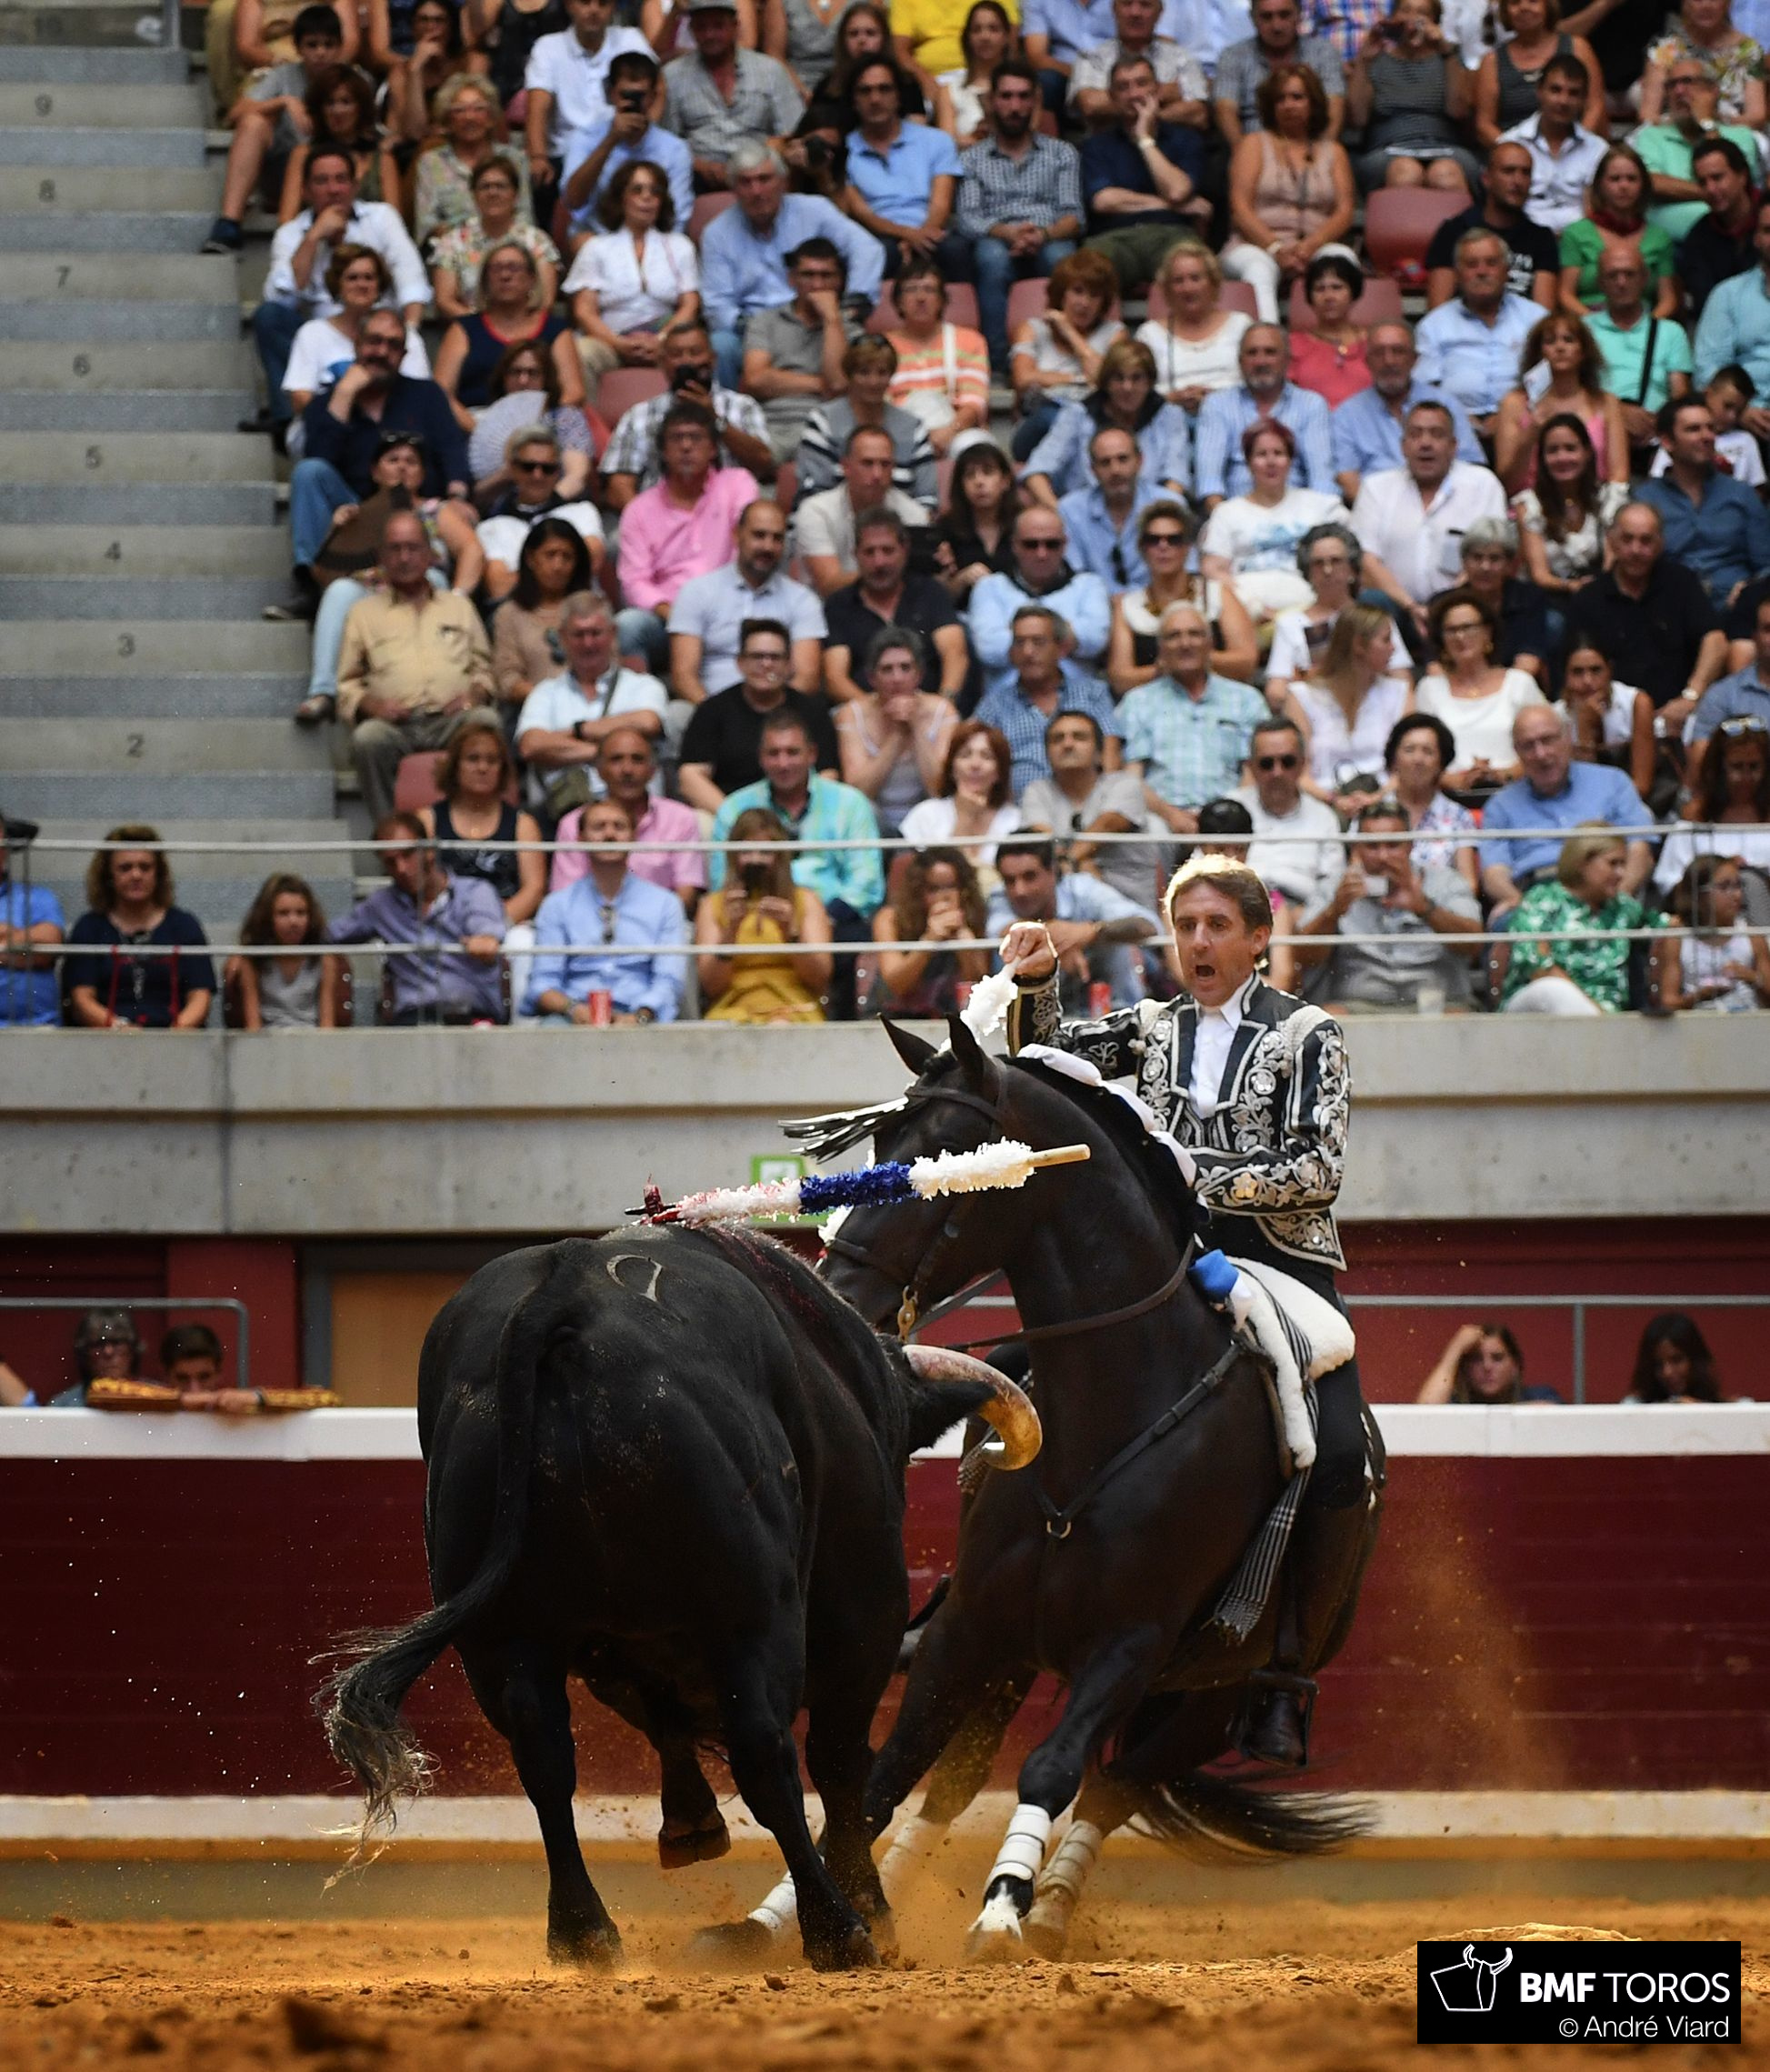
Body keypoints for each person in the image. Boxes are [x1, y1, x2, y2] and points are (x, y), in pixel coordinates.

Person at [1001, 846, 1367, 1767]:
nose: (1198, 941)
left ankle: (1284, 1676)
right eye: (1185, 925)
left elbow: (1318, 1170)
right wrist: (1039, 979)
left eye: (1217, 925)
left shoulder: (1309, 1030)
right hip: (1174, 1264)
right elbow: (1044, 1061)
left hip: (1281, 1265)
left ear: (1257, 937)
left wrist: (1188, 1178)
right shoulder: (1151, 1024)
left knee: (1343, 1451)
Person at [707, 708, 883, 1013]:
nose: (783, 763)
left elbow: (865, 882)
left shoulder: (849, 802)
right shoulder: (735, 807)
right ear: (761, 757)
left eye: (792, 752)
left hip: (835, 917)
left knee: (850, 940)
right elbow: (722, 878)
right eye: (774, 753)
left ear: (812, 754)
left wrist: (816, 916)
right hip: (750, 913)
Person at [289, 311, 470, 594]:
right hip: (354, 514)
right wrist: (344, 395)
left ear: (404, 354)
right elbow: (320, 461)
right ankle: (311, 585)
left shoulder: (427, 395)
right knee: (307, 472)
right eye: (374, 341)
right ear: (356, 344)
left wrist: (458, 495)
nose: (382, 351)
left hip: (415, 508)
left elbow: (451, 448)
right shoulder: (327, 402)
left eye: (393, 345)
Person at [254, 148, 431, 435]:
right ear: (306, 191)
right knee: (269, 316)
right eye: (322, 181)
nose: (333, 189)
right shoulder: (291, 233)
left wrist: (408, 332)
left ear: (354, 186)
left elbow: (410, 275)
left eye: (341, 180)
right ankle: (288, 420)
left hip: (380, 328)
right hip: (323, 333)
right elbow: (281, 298)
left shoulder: (381, 217)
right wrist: (314, 237)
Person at [335, 510, 496, 824]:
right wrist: (373, 705)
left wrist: (473, 697)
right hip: (395, 726)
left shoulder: (459, 607)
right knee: (367, 739)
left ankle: (477, 826)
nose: (404, 557)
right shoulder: (363, 614)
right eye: (394, 549)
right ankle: (390, 835)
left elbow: (484, 670)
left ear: (430, 554)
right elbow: (346, 684)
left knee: (486, 720)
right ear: (381, 556)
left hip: (452, 720)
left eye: (413, 548)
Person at [697, 140, 885, 388]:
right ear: (733, 188)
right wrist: (759, 331)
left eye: (764, 179)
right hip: (755, 329)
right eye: (746, 182)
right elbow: (717, 305)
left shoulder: (815, 210)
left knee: (863, 342)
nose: (756, 191)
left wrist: (855, 301)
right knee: (720, 343)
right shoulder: (717, 233)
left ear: (783, 182)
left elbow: (867, 248)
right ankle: (728, 417)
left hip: (815, 317)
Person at [955, 57, 1084, 376]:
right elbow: (968, 218)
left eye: (1024, 96)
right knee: (991, 258)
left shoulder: (1062, 153)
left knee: (1062, 260)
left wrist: (1042, 235)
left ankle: (1060, 355)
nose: (1015, 106)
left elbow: (1074, 216)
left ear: (1035, 101)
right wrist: (1009, 233)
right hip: (996, 239)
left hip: (1049, 236)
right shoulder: (972, 158)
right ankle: (998, 365)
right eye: (1007, 96)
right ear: (992, 102)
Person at [1295, 792, 1481, 1008]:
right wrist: (1334, 911)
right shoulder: (1336, 887)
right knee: (1330, 1022)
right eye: (1372, 846)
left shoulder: (1446, 881)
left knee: (1460, 1019)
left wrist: (1424, 908)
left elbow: (1474, 946)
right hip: (1357, 1004)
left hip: (1436, 1003)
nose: (1383, 856)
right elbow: (1304, 957)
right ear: (1357, 848)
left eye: (1393, 845)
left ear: (1410, 845)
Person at [328, 811, 508, 1025]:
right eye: (391, 862)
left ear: (429, 850)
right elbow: (329, 934)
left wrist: (485, 940)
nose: (402, 869)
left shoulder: (475, 892)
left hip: (473, 1015)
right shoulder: (381, 905)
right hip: (411, 1020)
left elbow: (487, 935)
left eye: (408, 854)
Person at [616, 403, 764, 663]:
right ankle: (638, 699)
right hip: (668, 618)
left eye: (695, 438)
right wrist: (674, 614)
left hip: (731, 610)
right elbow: (635, 581)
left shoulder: (737, 484)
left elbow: (749, 544)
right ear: (663, 451)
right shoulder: (639, 510)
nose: (686, 446)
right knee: (627, 626)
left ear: (713, 448)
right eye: (676, 438)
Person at [525, 794, 688, 1023]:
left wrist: (639, 1016)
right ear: (581, 838)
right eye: (599, 827)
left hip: (641, 1016)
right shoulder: (557, 905)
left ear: (634, 836)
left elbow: (669, 980)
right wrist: (574, 1010)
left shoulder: (666, 904)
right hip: (573, 1015)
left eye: (619, 827)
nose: (610, 835)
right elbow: (542, 983)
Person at [1478, 704, 1653, 914]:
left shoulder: (1613, 783)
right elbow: (1494, 873)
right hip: (1534, 897)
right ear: (1516, 752)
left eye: (1548, 740)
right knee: (1503, 924)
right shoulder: (1500, 806)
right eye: (1528, 746)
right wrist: (1522, 906)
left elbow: (1639, 850)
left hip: (1604, 892)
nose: (1541, 754)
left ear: (1568, 737)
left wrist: (1618, 901)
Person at [1563, 500, 1728, 721]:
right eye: (1627, 539)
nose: (1636, 550)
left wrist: (1691, 696)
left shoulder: (1681, 583)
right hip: (1610, 720)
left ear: (1660, 542)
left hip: (1678, 716)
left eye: (1646, 540)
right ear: (1611, 541)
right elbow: (1571, 667)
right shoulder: (1588, 599)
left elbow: (1715, 640)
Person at [205, 5, 349, 254]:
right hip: (285, 172)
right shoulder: (284, 75)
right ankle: (229, 223)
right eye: (312, 45)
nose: (321, 53)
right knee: (252, 122)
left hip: (337, 179)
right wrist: (283, 102)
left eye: (328, 45)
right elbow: (235, 113)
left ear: (339, 47)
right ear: (298, 48)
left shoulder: (354, 80)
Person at [1223, 62, 1356, 324]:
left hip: (1314, 244)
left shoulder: (1334, 152)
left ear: (1313, 102)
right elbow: (1239, 208)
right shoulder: (1253, 144)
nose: (1289, 105)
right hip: (1254, 245)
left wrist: (1309, 247)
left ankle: (1333, 342)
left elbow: (1344, 211)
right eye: (1280, 99)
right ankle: (1269, 343)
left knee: (1343, 259)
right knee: (1260, 268)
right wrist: (1276, 248)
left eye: (1297, 97)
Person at [1120, 603, 1271, 836]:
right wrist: (1171, 815)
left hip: (1231, 816)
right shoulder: (1138, 702)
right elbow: (1132, 777)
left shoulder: (1246, 700)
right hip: (1161, 819)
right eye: (1173, 636)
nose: (1185, 643)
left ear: (1210, 644)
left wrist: (1221, 816)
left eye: (1195, 634)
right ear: (1160, 649)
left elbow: (1253, 773)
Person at [514, 590, 670, 810]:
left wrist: (576, 731)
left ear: (613, 632)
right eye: (579, 634)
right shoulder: (544, 693)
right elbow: (531, 746)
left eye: (596, 633)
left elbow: (648, 723)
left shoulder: (643, 686)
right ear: (562, 637)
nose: (588, 643)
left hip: (637, 815)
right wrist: (607, 753)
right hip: (562, 815)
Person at [1352, 399, 1507, 619]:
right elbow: (1367, 560)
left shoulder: (1482, 485)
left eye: (1436, 434)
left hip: (1463, 607)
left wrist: (1443, 609)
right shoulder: (1376, 488)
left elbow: (1492, 556)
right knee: (1371, 603)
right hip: (1396, 612)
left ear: (1454, 446)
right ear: (1403, 446)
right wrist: (1411, 608)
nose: (1426, 443)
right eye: (1416, 435)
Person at [599, 323, 773, 511]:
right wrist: (647, 524)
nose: (687, 361)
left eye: (695, 352)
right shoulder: (638, 415)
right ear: (663, 364)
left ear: (713, 359)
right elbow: (618, 486)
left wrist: (715, 419)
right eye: (677, 355)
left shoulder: (742, 406)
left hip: (730, 520)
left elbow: (763, 462)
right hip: (658, 521)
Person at [671, 498, 825, 706]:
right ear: (737, 535)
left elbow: (806, 678)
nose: (768, 546)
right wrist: (717, 718)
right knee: (676, 714)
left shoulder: (803, 600)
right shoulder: (697, 592)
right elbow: (683, 676)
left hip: (778, 715)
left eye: (777, 538)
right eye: (759, 535)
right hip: (709, 710)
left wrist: (768, 719)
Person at [1077, 52, 1208, 297]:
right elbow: (1104, 201)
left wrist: (1145, 140)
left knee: (1191, 271)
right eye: (1123, 87)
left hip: (1171, 236)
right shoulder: (1097, 145)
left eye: (1141, 83)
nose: (1134, 93)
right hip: (1114, 238)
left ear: (1157, 91)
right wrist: (1173, 206)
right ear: (1112, 97)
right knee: (1086, 271)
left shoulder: (1185, 139)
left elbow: (1177, 190)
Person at [1199, 419, 1350, 630]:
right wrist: (1255, 608)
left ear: (1290, 460)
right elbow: (1213, 569)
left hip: (1315, 610)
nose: (1271, 462)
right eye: (1261, 455)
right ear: (1249, 462)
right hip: (1249, 616)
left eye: (1278, 454)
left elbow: (1350, 559)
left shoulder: (1322, 506)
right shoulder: (1227, 513)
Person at [677, 615, 841, 808]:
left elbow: (828, 774)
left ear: (789, 665)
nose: (766, 664)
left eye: (775, 657)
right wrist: (737, 819)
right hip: (730, 815)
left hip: (801, 812)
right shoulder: (713, 710)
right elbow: (690, 776)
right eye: (757, 656)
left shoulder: (812, 711)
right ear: (740, 663)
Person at [418, 716, 547, 956]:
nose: (483, 768)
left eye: (492, 760)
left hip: (507, 925)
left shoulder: (523, 825)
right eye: (473, 759)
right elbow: (417, 883)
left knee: (524, 944)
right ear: (455, 766)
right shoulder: (428, 821)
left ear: (503, 769)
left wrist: (491, 927)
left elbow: (534, 888)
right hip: (443, 923)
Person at [63, 831, 216, 1032]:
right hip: (108, 1040)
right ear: (108, 875)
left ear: (158, 873)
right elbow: (81, 999)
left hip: (175, 1042)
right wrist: (121, 1029)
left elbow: (200, 996)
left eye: (145, 867)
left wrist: (174, 1033)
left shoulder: (184, 925)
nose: (136, 875)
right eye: (125, 868)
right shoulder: (90, 927)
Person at [564, 159, 700, 384]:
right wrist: (619, 344)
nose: (647, 197)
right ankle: (584, 421)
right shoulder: (596, 247)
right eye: (637, 190)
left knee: (697, 353)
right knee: (581, 353)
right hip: (610, 342)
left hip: (666, 343)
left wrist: (662, 339)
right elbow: (583, 311)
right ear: (621, 198)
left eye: (654, 192)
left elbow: (690, 304)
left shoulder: (680, 245)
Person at [989, 829, 1158, 1009]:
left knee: (1117, 942)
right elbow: (1004, 930)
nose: (1019, 890)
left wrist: (1089, 932)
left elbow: (1147, 924)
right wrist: (1061, 943)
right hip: (1037, 1018)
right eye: (1009, 880)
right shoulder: (1000, 896)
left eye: (1030, 877)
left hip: (1112, 1010)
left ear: (1053, 872)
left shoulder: (1082, 888)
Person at [696, 804, 833, 1021]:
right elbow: (711, 987)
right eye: (746, 851)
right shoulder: (713, 905)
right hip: (732, 1008)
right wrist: (730, 932)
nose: (755, 860)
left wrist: (791, 934)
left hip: (794, 1006)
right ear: (733, 855)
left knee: (781, 1027)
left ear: (780, 856)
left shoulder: (805, 900)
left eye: (765, 852)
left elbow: (819, 979)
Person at [1637, 396, 1770, 618]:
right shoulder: (1646, 500)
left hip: (1735, 608)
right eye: (1693, 429)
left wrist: (1751, 588)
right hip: (1669, 612)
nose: (1707, 436)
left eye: (1710, 428)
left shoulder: (1741, 494)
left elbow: (1766, 563)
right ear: (1668, 442)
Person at [1110, 499, 1260, 693]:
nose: (1163, 547)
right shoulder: (1128, 606)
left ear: (1187, 547)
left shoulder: (1218, 594)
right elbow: (1120, 677)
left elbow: (1246, 661)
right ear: (1142, 548)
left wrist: (1195, 659)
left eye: (1174, 540)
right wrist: (1166, 668)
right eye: (1153, 540)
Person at [551, 726, 707, 908]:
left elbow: (686, 893)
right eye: (616, 760)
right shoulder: (572, 824)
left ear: (652, 769)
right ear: (599, 770)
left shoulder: (681, 818)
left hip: (661, 930)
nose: (627, 769)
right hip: (588, 929)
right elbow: (565, 897)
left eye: (638, 760)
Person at [1022, 335, 1190, 506]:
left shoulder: (1169, 415)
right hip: (1084, 514)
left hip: (1149, 516)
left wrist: (1157, 520)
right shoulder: (1077, 414)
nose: (1127, 387)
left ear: (1150, 382)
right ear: (1106, 382)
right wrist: (1064, 518)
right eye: (1118, 378)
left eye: (1137, 378)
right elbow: (1036, 472)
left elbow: (1175, 479)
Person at [823, 506, 967, 704]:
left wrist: (940, 709)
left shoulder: (930, 592)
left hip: (930, 713)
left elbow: (955, 655)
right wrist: (878, 716)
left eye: (887, 550)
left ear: (905, 550)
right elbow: (835, 678)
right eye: (869, 552)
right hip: (866, 719)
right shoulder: (839, 604)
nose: (879, 562)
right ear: (855, 554)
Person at [968, 509, 1115, 702]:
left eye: (1051, 544)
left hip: (1078, 704)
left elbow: (1095, 639)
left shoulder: (1089, 584)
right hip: (1006, 706)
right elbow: (990, 648)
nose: (1042, 553)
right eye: (1031, 545)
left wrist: (1018, 635)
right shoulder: (990, 587)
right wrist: (1063, 633)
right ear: (1014, 545)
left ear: (1064, 545)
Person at [1329, 319, 1483, 502]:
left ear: (1415, 359)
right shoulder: (1347, 415)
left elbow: (1472, 467)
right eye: (1379, 353)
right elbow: (1347, 479)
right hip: (1377, 513)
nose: (1389, 361)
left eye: (1398, 351)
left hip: (1446, 505)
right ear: (1367, 361)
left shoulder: (1445, 404)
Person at [1019, 708, 1160, 908]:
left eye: (1079, 737)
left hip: (1132, 911)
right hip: (1067, 914)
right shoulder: (1037, 791)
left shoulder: (1125, 784)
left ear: (1099, 753)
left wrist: (1069, 860)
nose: (1067, 744)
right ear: (1047, 754)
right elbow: (1042, 839)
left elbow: (1108, 824)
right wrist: (1080, 865)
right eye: (1057, 739)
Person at [1498, 824, 1646, 1015]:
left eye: (1623, 865)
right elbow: (1537, 965)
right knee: (1553, 990)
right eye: (1613, 864)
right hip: (1534, 1006)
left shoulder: (1624, 907)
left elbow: (1667, 927)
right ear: (1582, 863)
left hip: (1610, 1015)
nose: (1621, 874)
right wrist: (1595, 1013)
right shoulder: (1541, 900)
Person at [282, 246, 432, 433]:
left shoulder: (405, 336)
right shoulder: (312, 334)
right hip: (325, 433)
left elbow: (419, 395)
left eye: (369, 277)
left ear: (379, 285)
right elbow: (300, 398)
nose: (362, 284)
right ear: (338, 284)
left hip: (391, 434)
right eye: (352, 278)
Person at [434, 240, 582, 426]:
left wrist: (535, 423)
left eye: (514, 268)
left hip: (541, 427)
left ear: (532, 279)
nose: (505, 275)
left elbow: (574, 392)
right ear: (485, 280)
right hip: (475, 424)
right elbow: (441, 391)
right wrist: (476, 428)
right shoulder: (463, 329)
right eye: (496, 269)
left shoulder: (555, 329)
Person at [662, 0, 805, 191]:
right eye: (702, 27)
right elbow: (665, 142)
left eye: (718, 26)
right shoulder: (672, 76)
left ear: (735, 26)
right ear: (691, 30)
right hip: (699, 180)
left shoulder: (770, 70)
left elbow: (793, 130)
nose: (710, 34)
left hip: (762, 176)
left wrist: (765, 156)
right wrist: (699, 165)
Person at [740, 235, 860, 463]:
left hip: (829, 425)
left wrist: (832, 321)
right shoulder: (765, 322)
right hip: (772, 423)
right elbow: (755, 379)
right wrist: (819, 383)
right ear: (792, 279)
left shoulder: (852, 332)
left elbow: (837, 384)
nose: (817, 285)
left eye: (826, 276)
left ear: (840, 281)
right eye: (808, 275)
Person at [523, 0, 654, 210]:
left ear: (613, 7)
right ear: (568, 5)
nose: (594, 10)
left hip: (624, 148)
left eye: (602, 3)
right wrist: (538, 156)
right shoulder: (548, 47)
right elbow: (537, 108)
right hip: (565, 153)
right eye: (584, 2)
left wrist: (647, 136)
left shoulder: (630, 38)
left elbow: (657, 89)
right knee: (541, 179)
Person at [1192, 322, 1336, 509]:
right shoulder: (1217, 405)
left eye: (1270, 352)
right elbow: (1209, 482)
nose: (1261, 361)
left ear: (1287, 359)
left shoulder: (1311, 405)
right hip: (1235, 516)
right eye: (1252, 353)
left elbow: (1322, 481)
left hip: (1301, 516)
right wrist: (1227, 524)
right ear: (1240, 361)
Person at [560, 48, 695, 248]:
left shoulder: (675, 149)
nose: (633, 102)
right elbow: (573, 201)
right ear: (611, 93)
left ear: (652, 97)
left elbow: (677, 217)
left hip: (655, 242)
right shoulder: (585, 139)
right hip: (599, 238)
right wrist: (611, 140)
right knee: (582, 241)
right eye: (626, 95)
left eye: (640, 95)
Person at [1412, 586, 1544, 790]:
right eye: (1451, 630)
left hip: (1516, 790)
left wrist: (1502, 775)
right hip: (1449, 796)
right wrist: (1456, 782)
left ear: (1487, 632)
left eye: (1469, 627)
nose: (1460, 636)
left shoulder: (1520, 683)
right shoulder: (1429, 689)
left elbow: (1546, 743)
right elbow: (1417, 754)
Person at [1413, 226, 1539, 437]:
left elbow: (1546, 382)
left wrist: (1508, 416)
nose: (1482, 271)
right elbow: (1425, 389)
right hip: (1452, 427)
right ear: (1457, 273)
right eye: (1471, 265)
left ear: (1506, 270)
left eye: (1491, 263)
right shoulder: (1434, 325)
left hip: (1523, 424)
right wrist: (1461, 419)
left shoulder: (1535, 318)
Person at [1283, 601, 1414, 804]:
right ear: (1359, 645)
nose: (1393, 648)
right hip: (1320, 803)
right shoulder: (1302, 696)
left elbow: (1408, 770)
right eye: (1386, 640)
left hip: (1386, 804)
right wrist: (1334, 801)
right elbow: (1298, 774)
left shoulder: (1400, 692)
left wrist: (1375, 799)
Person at [833, 628, 959, 831]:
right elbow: (858, 793)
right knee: (865, 810)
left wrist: (916, 727)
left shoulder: (943, 712)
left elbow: (940, 789)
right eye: (887, 669)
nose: (897, 678)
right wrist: (898, 735)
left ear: (919, 675)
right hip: (873, 821)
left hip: (927, 817)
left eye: (905, 668)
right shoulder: (852, 715)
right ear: (872, 678)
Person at [1491, 311, 1626, 495]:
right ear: (1539, 352)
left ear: (1583, 351)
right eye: (1550, 341)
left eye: (1569, 340)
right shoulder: (1514, 403)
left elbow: (1619, 475)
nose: (1560, 347)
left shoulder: (1606, 402)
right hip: (1530, 507)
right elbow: (1507, 483)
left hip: (1595, 504)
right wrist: (1530, 434)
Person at [1346, 0, 1474, 196]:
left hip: (1444, 147)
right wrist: (1364, 61)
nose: (1412, 18)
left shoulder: (1449, 59)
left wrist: (1446, 51)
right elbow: (1358, 118)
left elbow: (1458, 110)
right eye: (1405, 11)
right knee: (1405, 172)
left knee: (1445, 175)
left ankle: (1457, 228)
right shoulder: (1376, 60)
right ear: (1393, 19)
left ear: (1434, 23)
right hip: (1387, 150)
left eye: (1422, 13)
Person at [797, 336, 939, 511]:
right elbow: (813, 493)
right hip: (832, 525)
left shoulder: (913, 427)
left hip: (898, 527)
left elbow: (927, 499)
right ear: (849, 375)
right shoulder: (823, 421)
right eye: (864, 372)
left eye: (882, 372)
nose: (873, 382)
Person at [1008, 249, 1125, 460]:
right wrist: (1080, 380)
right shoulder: (1032, 329)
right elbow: (1023, 379)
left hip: (1092, 424)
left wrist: (1069, 332)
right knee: (1054, 416)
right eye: (1078, 291)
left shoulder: (1114, 333)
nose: (1085, 303)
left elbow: (1106, 381)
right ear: (1062, 294)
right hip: (1037, 425)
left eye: (1094, 295)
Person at [1423, 138, 1559, 310]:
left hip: (1523, 332)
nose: (1518, 181)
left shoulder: (1541, 238)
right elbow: (1437, 311)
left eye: (1525, 173)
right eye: (1508, 171)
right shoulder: (1454, 231)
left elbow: (1543, 316)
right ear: (1487, 178)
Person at [795, 425, 931, 597]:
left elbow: (919, 585)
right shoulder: (816, 512)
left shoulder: (914, 515)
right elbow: (829, 586)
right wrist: (890, 571)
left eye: (885, 464)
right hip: (828, 614)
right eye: (867, 463)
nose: (877, 474)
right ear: (846, 466)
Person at [475, 425, 606, 599]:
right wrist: (559, 572)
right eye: (528, 467)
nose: (538, 475)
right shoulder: (490, 528)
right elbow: (499, 587)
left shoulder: (583, 512)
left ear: (558, 472)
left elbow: (591, 563)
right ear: (512, 469)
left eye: (547, 468)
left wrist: (523, 575)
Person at [1225, 714, 1343, 906]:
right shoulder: (1230, 808)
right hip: (1238, 909)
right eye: (1266, 764)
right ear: (1252, 767)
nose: (1277, 772)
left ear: (1302, 765)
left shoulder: (1324, 817)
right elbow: (1201, 869)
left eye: (1287, 762)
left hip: (1302, 918)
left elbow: (1331, 885)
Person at [1654, 713, 1770, 901]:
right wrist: (1718, 874)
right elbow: (1669, 882)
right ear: (1719, 768)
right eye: (1737, 767)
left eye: (1754, 767)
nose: (1746, 777)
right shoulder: (1694, 816)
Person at [1587, 247, 1694, 455]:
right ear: (1600, 283)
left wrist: (1658, 425)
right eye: (1612, 275)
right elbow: (1570, 389)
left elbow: (1680, 395)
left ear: (1645, 279)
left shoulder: (1670, 332)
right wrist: (1618, 413)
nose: (1621, 282)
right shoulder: (1582, 330)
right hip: (1596, 434)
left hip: (1657, 439)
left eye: (1630, 274)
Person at [412, 74, 533, 255]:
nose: (470, 117)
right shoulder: (431, 162)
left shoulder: (515, 159)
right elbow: (428, 227)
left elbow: (525, 217)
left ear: (491, 117)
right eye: (460, 110)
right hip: (453, 254)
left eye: (478, 109)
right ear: (447, 120)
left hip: (508, 251)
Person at [866, 845, 993, 1016]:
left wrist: (964, 946)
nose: (943, 897)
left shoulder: (974, 917)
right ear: (918, 891)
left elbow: (977, 987)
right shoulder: (890, 918)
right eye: (934, 889)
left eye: (951, 887)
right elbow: (896, 984)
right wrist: (929, 940)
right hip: (893, 1017)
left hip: (949, 1018)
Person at [883, 257, 990, 458]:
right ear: (898, 301)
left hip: (954, 429)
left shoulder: (969, 341)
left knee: (978, 450)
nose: (921, 297)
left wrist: (948, 432)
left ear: (942, 300)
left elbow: (974, 402)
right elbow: (877, 403)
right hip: (897, 432)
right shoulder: (880, 346)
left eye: (930, 290)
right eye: (911, 290)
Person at [1511, 411, 1629, 592]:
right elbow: (1539, 575)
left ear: (1587, 452)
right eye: (1553, 451)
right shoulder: (1528, 505)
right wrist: (1573, 587)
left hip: (1598, 591)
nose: (1562, 458)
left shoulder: (1606, 497)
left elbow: (1611, 561)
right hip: (1550, 596)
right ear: (1542, 458)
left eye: (1570, 448)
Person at [1135, 237, 1252, 420]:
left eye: (1195, 278)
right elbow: (1135, 394)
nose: (1187, 288)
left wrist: (1217, 398)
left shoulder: (1241, 325)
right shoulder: (1148, 334)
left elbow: (1259, 388)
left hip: (1235, 420)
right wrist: (1171, 399)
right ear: (1167, 290)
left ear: (1213, 284)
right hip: (1169, 421)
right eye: (1178, 281)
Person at [1557, 145, 1677, 322]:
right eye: (1615, 179)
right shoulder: (1576, 234)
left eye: (1631, 179)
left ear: (1643, 185)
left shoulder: (1659, 237)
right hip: (1589, 326)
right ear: (1600, 185)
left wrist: (1646, 329)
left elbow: (1668, 300)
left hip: (1643, 324)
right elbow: (1565, 295)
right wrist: (1598, 326)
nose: (1623, 186)